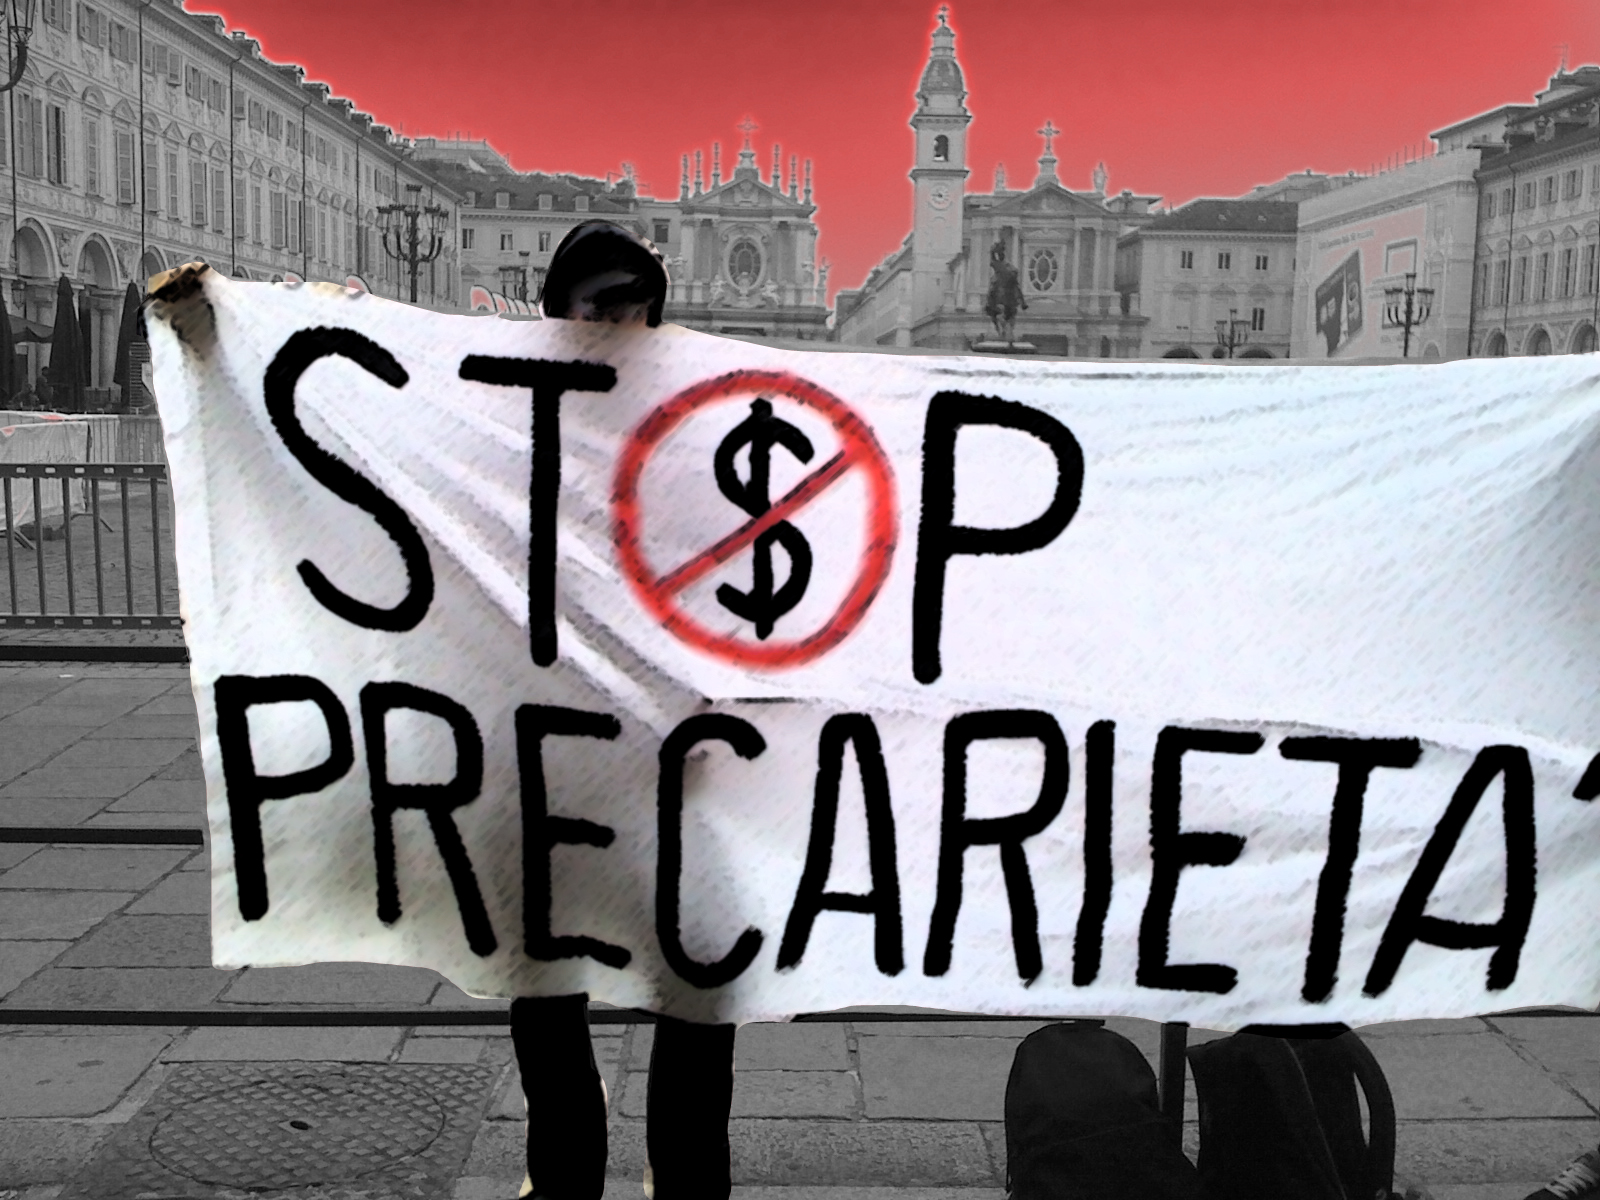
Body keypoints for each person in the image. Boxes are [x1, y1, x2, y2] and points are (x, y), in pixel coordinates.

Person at [512, 218, 738, 1200]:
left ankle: (685, 1179)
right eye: (607, 307)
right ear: (558, 312)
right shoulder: (501, 420)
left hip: (680, 757)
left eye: (644, 312)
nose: (629, 329)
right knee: (546, 994)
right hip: (549, 758)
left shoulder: (695, 431)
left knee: (699, 990)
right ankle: (567, 1173)